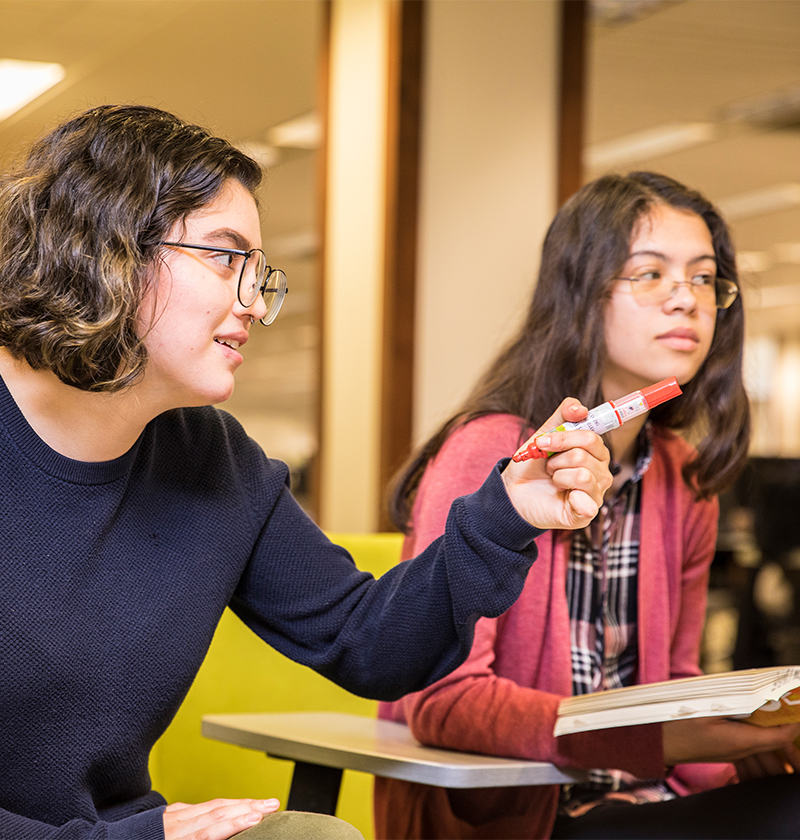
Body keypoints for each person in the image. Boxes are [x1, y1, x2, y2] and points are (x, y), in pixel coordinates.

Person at [0, 104, 612, 840]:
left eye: (260, 274)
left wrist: (506, 513)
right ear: (109, 246)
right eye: (226, 257)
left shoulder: (213, 461)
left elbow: (368, 641)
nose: (255, 303)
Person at [375, 172, 800, 840]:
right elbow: (442, 703)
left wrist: (743, 749)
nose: (684, 300)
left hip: (645, 802)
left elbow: (676, 684)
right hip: (532, 817)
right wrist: (663, 744)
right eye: (650, 274)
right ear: (581, 293)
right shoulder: (488, 453)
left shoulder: (684, 479)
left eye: (702, 279)